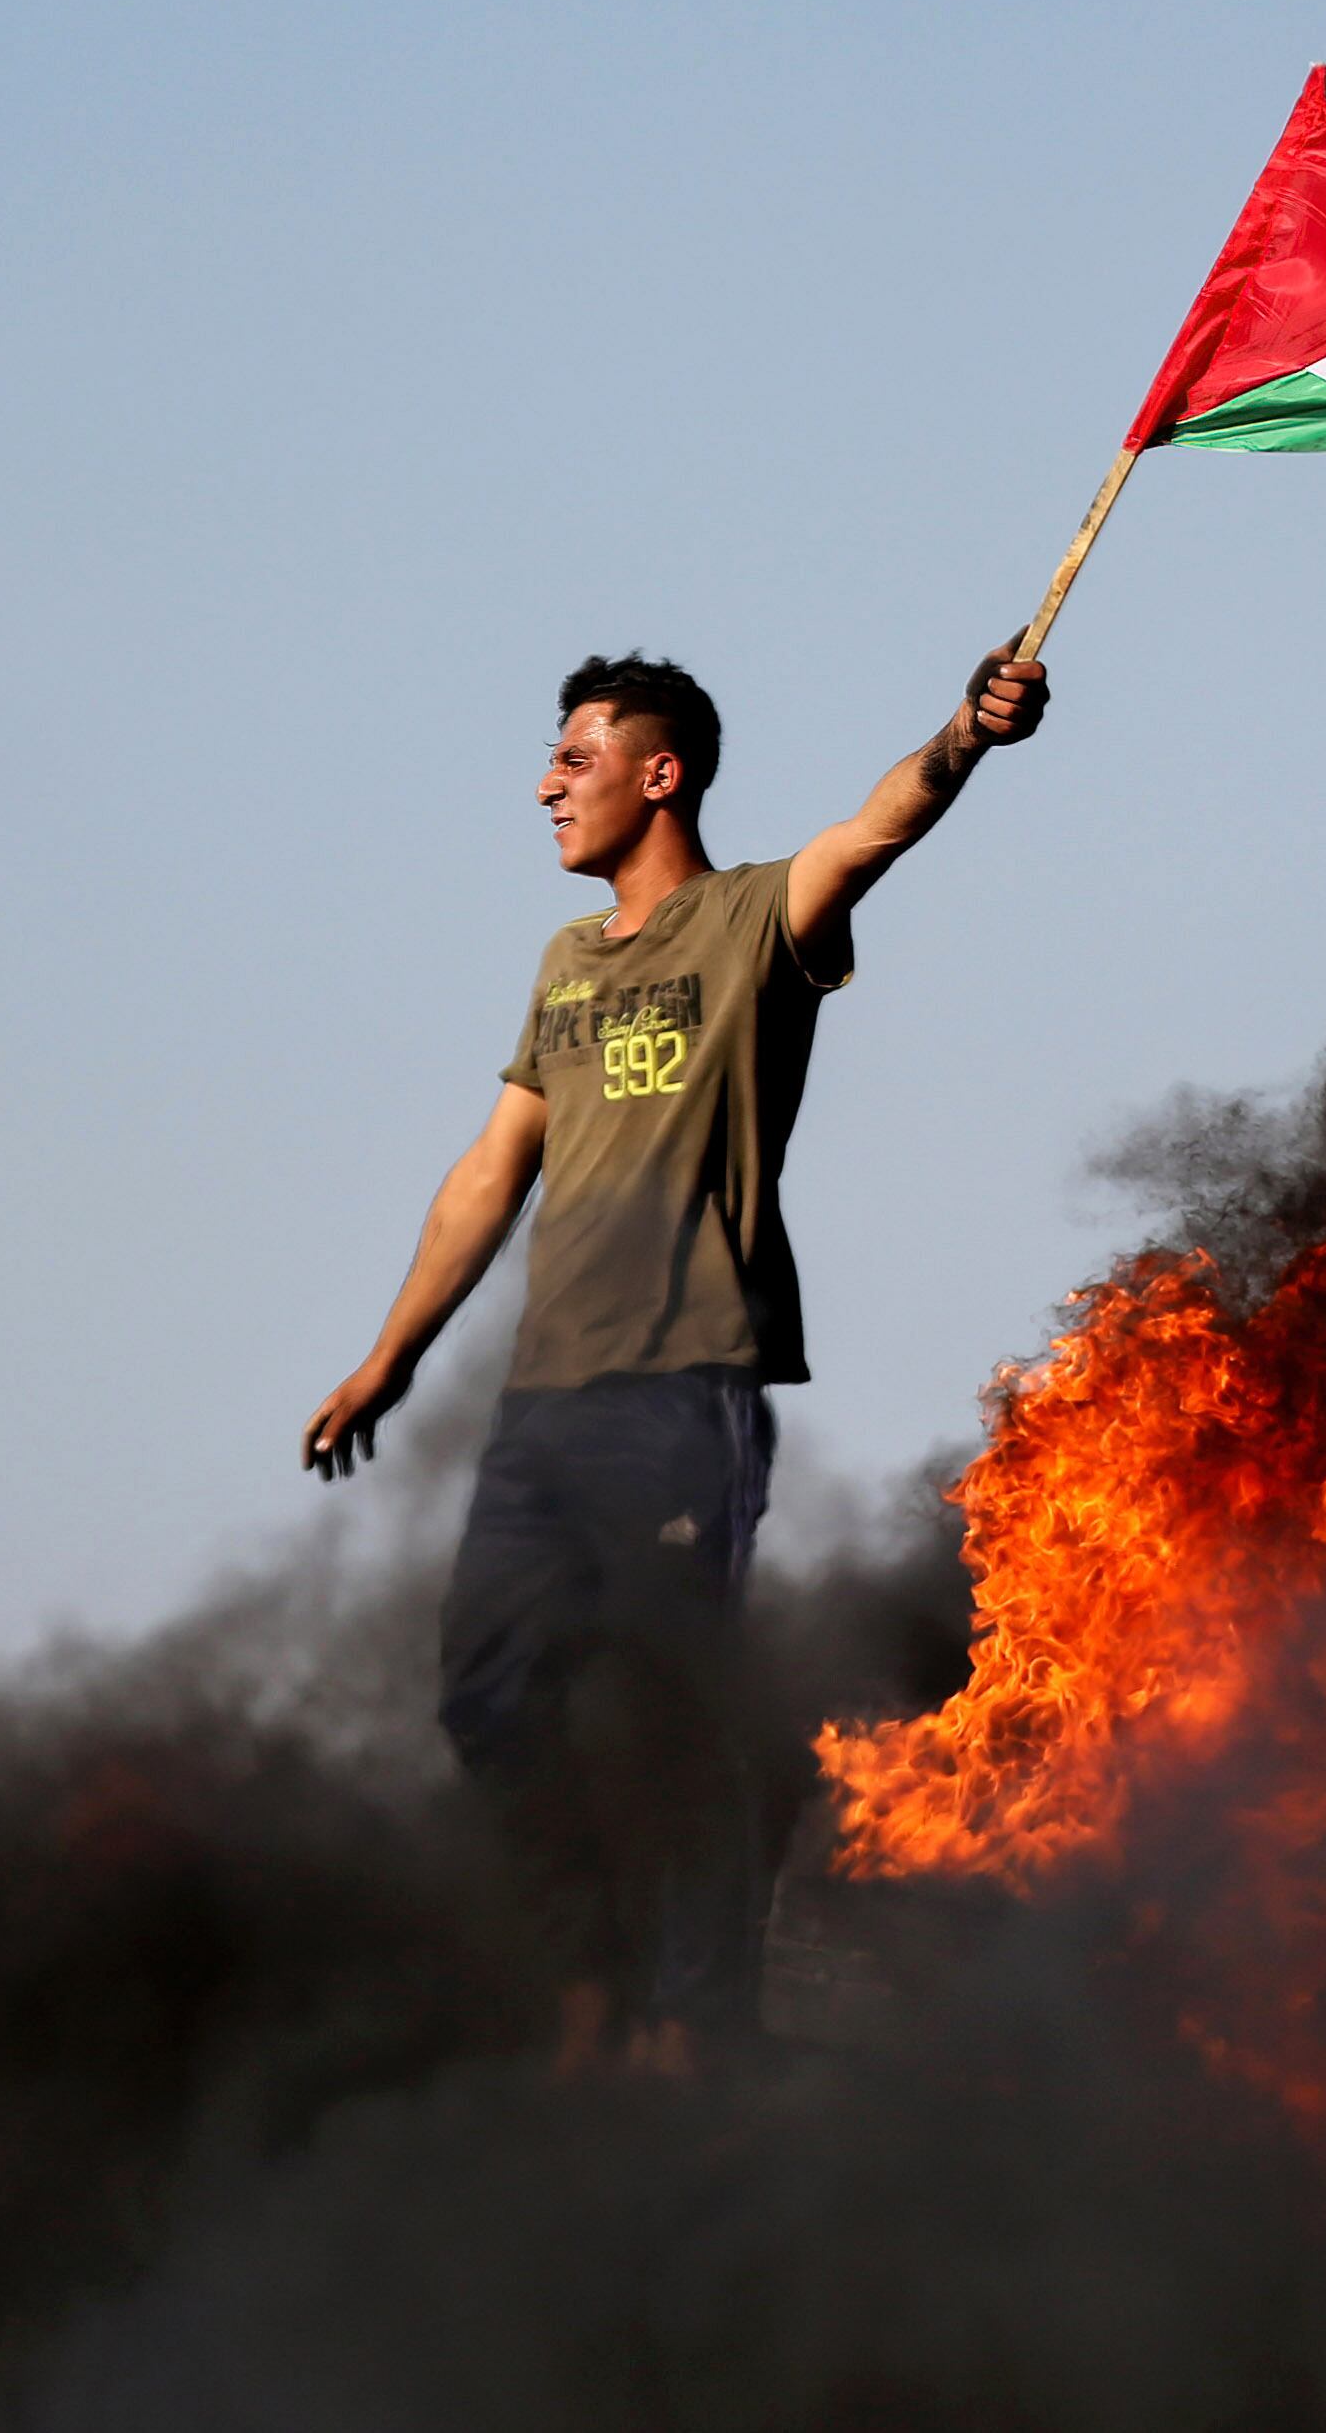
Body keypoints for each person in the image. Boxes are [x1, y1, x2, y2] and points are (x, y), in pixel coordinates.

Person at [302, 639, 1048, 2057]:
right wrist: (388, 1357)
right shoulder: (566, 964)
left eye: (574, 760)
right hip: (542, 1401)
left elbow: (880, 822)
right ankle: (592, 1972)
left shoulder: (756, 918)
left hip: (683, 1381)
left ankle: (695, 2023)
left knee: (669, 1706)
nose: (545, 786)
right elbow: (488, 1171)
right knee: (486, 1689)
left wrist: (966, 730)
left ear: (662, 774)